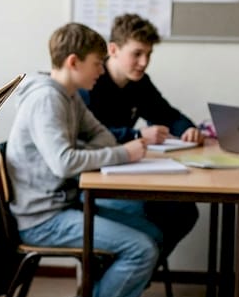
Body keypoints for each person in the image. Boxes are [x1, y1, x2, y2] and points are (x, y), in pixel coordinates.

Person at [6, 22, 162, 297]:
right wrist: (125, 154)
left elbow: (104, 138)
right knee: (140, 249)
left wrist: (87, 150)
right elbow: (65, 163)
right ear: (74, 62)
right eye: (96, 63)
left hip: (63, 204)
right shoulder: (47, 99)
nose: (100, 70)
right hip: (43, 218)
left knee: (151, 234)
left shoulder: (70, 96)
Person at [80, 13, 200, 259]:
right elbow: (86, 136)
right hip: (94, 178)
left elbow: (167, 114)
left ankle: (139, 271)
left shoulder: (139, 83)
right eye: (137, 54)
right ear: (113, 50)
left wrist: (188, 129)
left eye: (149, 55)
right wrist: (136, 133)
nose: (144, 62)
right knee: (141, 209)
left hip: (125, 171)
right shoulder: (91, 81)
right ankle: (124, 267)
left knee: (185, 211)